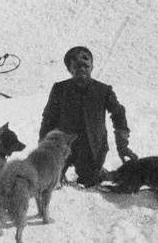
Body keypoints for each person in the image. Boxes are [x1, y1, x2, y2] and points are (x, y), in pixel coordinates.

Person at [39, 45, 137, 188]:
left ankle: (99, 173)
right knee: (51, 181)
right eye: (77, 66)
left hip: (93, 149)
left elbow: (118, 113)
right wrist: (43, 147)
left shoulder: (104, 90)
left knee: (89, 180)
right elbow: (49, 119)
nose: (82, 69)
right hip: (62, 148)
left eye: (85, 65)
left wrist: (122, 145)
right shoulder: (59, 89)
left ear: (92, 67)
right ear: (69, 69)